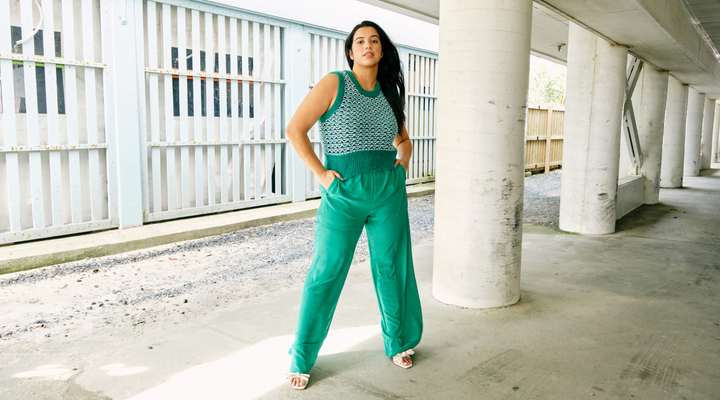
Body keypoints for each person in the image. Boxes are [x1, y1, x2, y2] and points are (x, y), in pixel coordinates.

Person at [284, 21, 423, 390]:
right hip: (343, 192)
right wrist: (322, 175)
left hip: (388, 191)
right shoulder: (335, 83)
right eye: (360, 41)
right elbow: (295, 129)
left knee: (391, 267)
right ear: (350, 51)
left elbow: (404, 140)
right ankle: (301, 357)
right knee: (326, 271)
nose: (367, 45)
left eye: (374, 40)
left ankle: (398, 341)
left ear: (382, 50)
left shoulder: (389, 92)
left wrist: (401, 167)